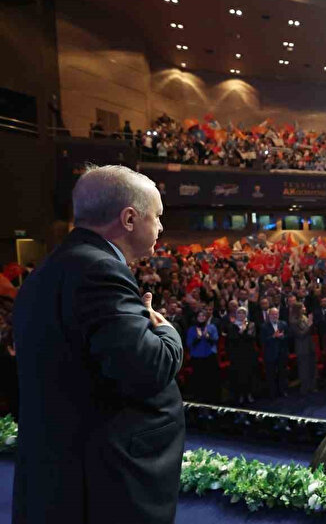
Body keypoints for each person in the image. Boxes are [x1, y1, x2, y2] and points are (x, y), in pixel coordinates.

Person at [12, 164, 184, 523]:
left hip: (60, 476)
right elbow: (147, 368)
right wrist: (168, 333)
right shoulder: (99, 271)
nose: (162, 228)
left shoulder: (50, 268)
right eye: (158, 216)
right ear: (130, 218)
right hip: (102, 484)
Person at [186, 308, 220, 403]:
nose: (201, 318)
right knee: (198, 378)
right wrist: (198, 338)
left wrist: (208, 337)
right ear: (196, 318)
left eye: (203, 316)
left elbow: (215, 340)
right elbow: (189, 344)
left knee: (210, 378)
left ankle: (210, 398)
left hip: (209, 356)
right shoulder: (192, 329)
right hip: (197, 357)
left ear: (206, 317)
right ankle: (199, 398)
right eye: (200, 316)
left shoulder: (212, 327)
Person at [225, 306, 258, 404]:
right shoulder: (231, 326)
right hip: (237, 355)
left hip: (248, 354)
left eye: (243, 313)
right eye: (239, 313)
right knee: (238, 376)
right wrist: (241, 332)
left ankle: (249, 394)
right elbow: (231, 339)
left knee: (249, 375)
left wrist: (242, 334)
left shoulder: (251, 324)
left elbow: (251, 337)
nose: (241, 315)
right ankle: (240, 395)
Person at [260, 306, 290, 397]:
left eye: (276, 314)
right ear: (269, 315)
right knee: (271, 374)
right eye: (272, 314)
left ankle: (283, 391)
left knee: (282, 373)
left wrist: (282, 337)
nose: (274, 316)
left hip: (282, 353)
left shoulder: (283, 324)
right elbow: (262, 341)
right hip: (270, 354)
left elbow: (289, 336)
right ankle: (272, 393)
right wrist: (273, 336)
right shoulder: (264, 326)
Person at [289, 300, 316, 396]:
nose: (305, 309)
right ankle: (304, 389)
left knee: (311, 367)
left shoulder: (304, 317)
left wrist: (310, 324)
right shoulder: (293, 321)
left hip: (310, 346)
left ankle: (312, 387)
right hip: (302, 347)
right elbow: (300, 334)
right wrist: (309, 324)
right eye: (303, 307)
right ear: (298, 310)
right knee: (303, 369)